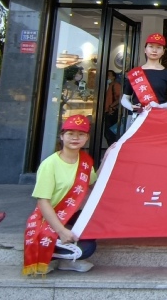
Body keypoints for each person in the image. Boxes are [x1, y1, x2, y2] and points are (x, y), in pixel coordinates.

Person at [23, 115, 98, 275]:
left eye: (81, 134)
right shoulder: (50, 164)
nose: (75, 138)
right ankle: (48, 254)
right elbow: (43, 201)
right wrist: (62, 231)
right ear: (62, 136)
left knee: (92, 237)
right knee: (85, 248)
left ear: (87, 138)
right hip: (47, 218)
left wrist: (109, 156)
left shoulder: (85, 161)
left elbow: (94, 184)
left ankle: (66, 261)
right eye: (70, 134)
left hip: (69, 215)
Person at [121, 33, 167, 117]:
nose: (154, 50)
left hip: (159, 117)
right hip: (138, 118)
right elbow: (124, 99)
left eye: (159, 47)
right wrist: (131, 107)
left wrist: (159, 106)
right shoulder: (135, 73)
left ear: (163, 51)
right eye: (151, 46)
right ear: (145, 50)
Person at [103, 70, 122, 145]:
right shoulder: (109, 86)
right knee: (108, 134)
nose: (107, 77)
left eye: (109, 75)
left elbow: (120, 98)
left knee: (110, 134)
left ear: (113, 77)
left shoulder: (115, 85)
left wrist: (112, 106)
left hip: (112, 111)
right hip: (108, 111)